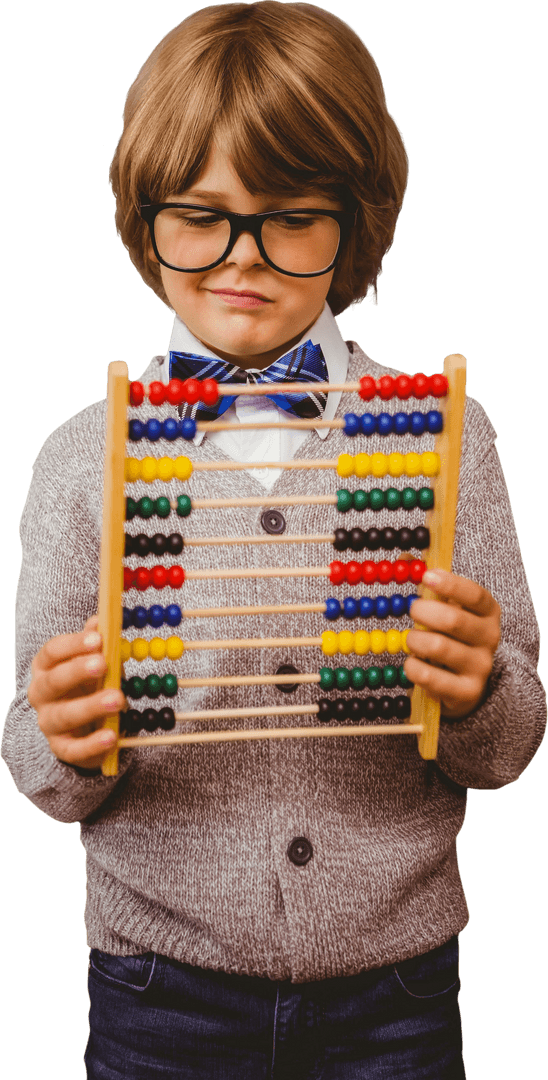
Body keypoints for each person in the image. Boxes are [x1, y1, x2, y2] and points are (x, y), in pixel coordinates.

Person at [1, 3, 545, 1077]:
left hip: (395, 983)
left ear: (354, 220)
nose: (239, 258)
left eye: (291, 216)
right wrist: (64, 733)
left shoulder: (440, 436)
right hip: (159, 984)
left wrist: (479, 681)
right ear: (141, 213)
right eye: (197, 215)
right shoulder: (83, 458)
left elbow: (507, 744)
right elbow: (38, 763)